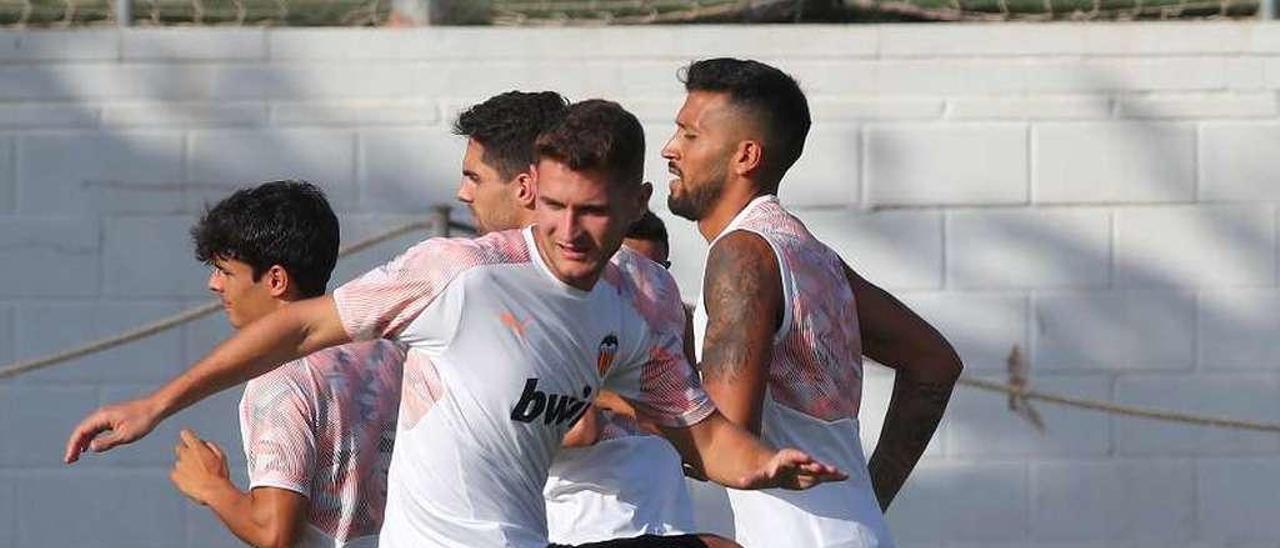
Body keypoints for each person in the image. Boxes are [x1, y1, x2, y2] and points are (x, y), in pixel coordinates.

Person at [65, 99, 845, 548]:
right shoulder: (458, 274)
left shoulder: (638, 296)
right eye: (555, 208)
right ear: (532, 192)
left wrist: (767, 465)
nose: (570, 231)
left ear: (638, 204)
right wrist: (154, 405)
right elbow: (301, 328)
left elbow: (707, 439)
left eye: (594, 212)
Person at [662, 58, 964, 547]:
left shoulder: (742, 255)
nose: (670, 149)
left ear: (746, 156)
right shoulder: (809, 253)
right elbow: (934, 362)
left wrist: (610, 390)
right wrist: (869, 494)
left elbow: (724, 438)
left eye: (690, 135)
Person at [452, 91, 734, 548]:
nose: (463, 192)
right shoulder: (654, 283)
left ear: (527, 184)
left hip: (589, 528)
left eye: (474, 177)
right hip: (660, 514)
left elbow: (577, 426)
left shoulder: (531, 284)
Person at [167, 180, 406, 548]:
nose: (214, 284)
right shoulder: (388, 352)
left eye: (226, 272)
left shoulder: (280, 380)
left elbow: (275, 533)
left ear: (276, 279)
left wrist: (211, 486)